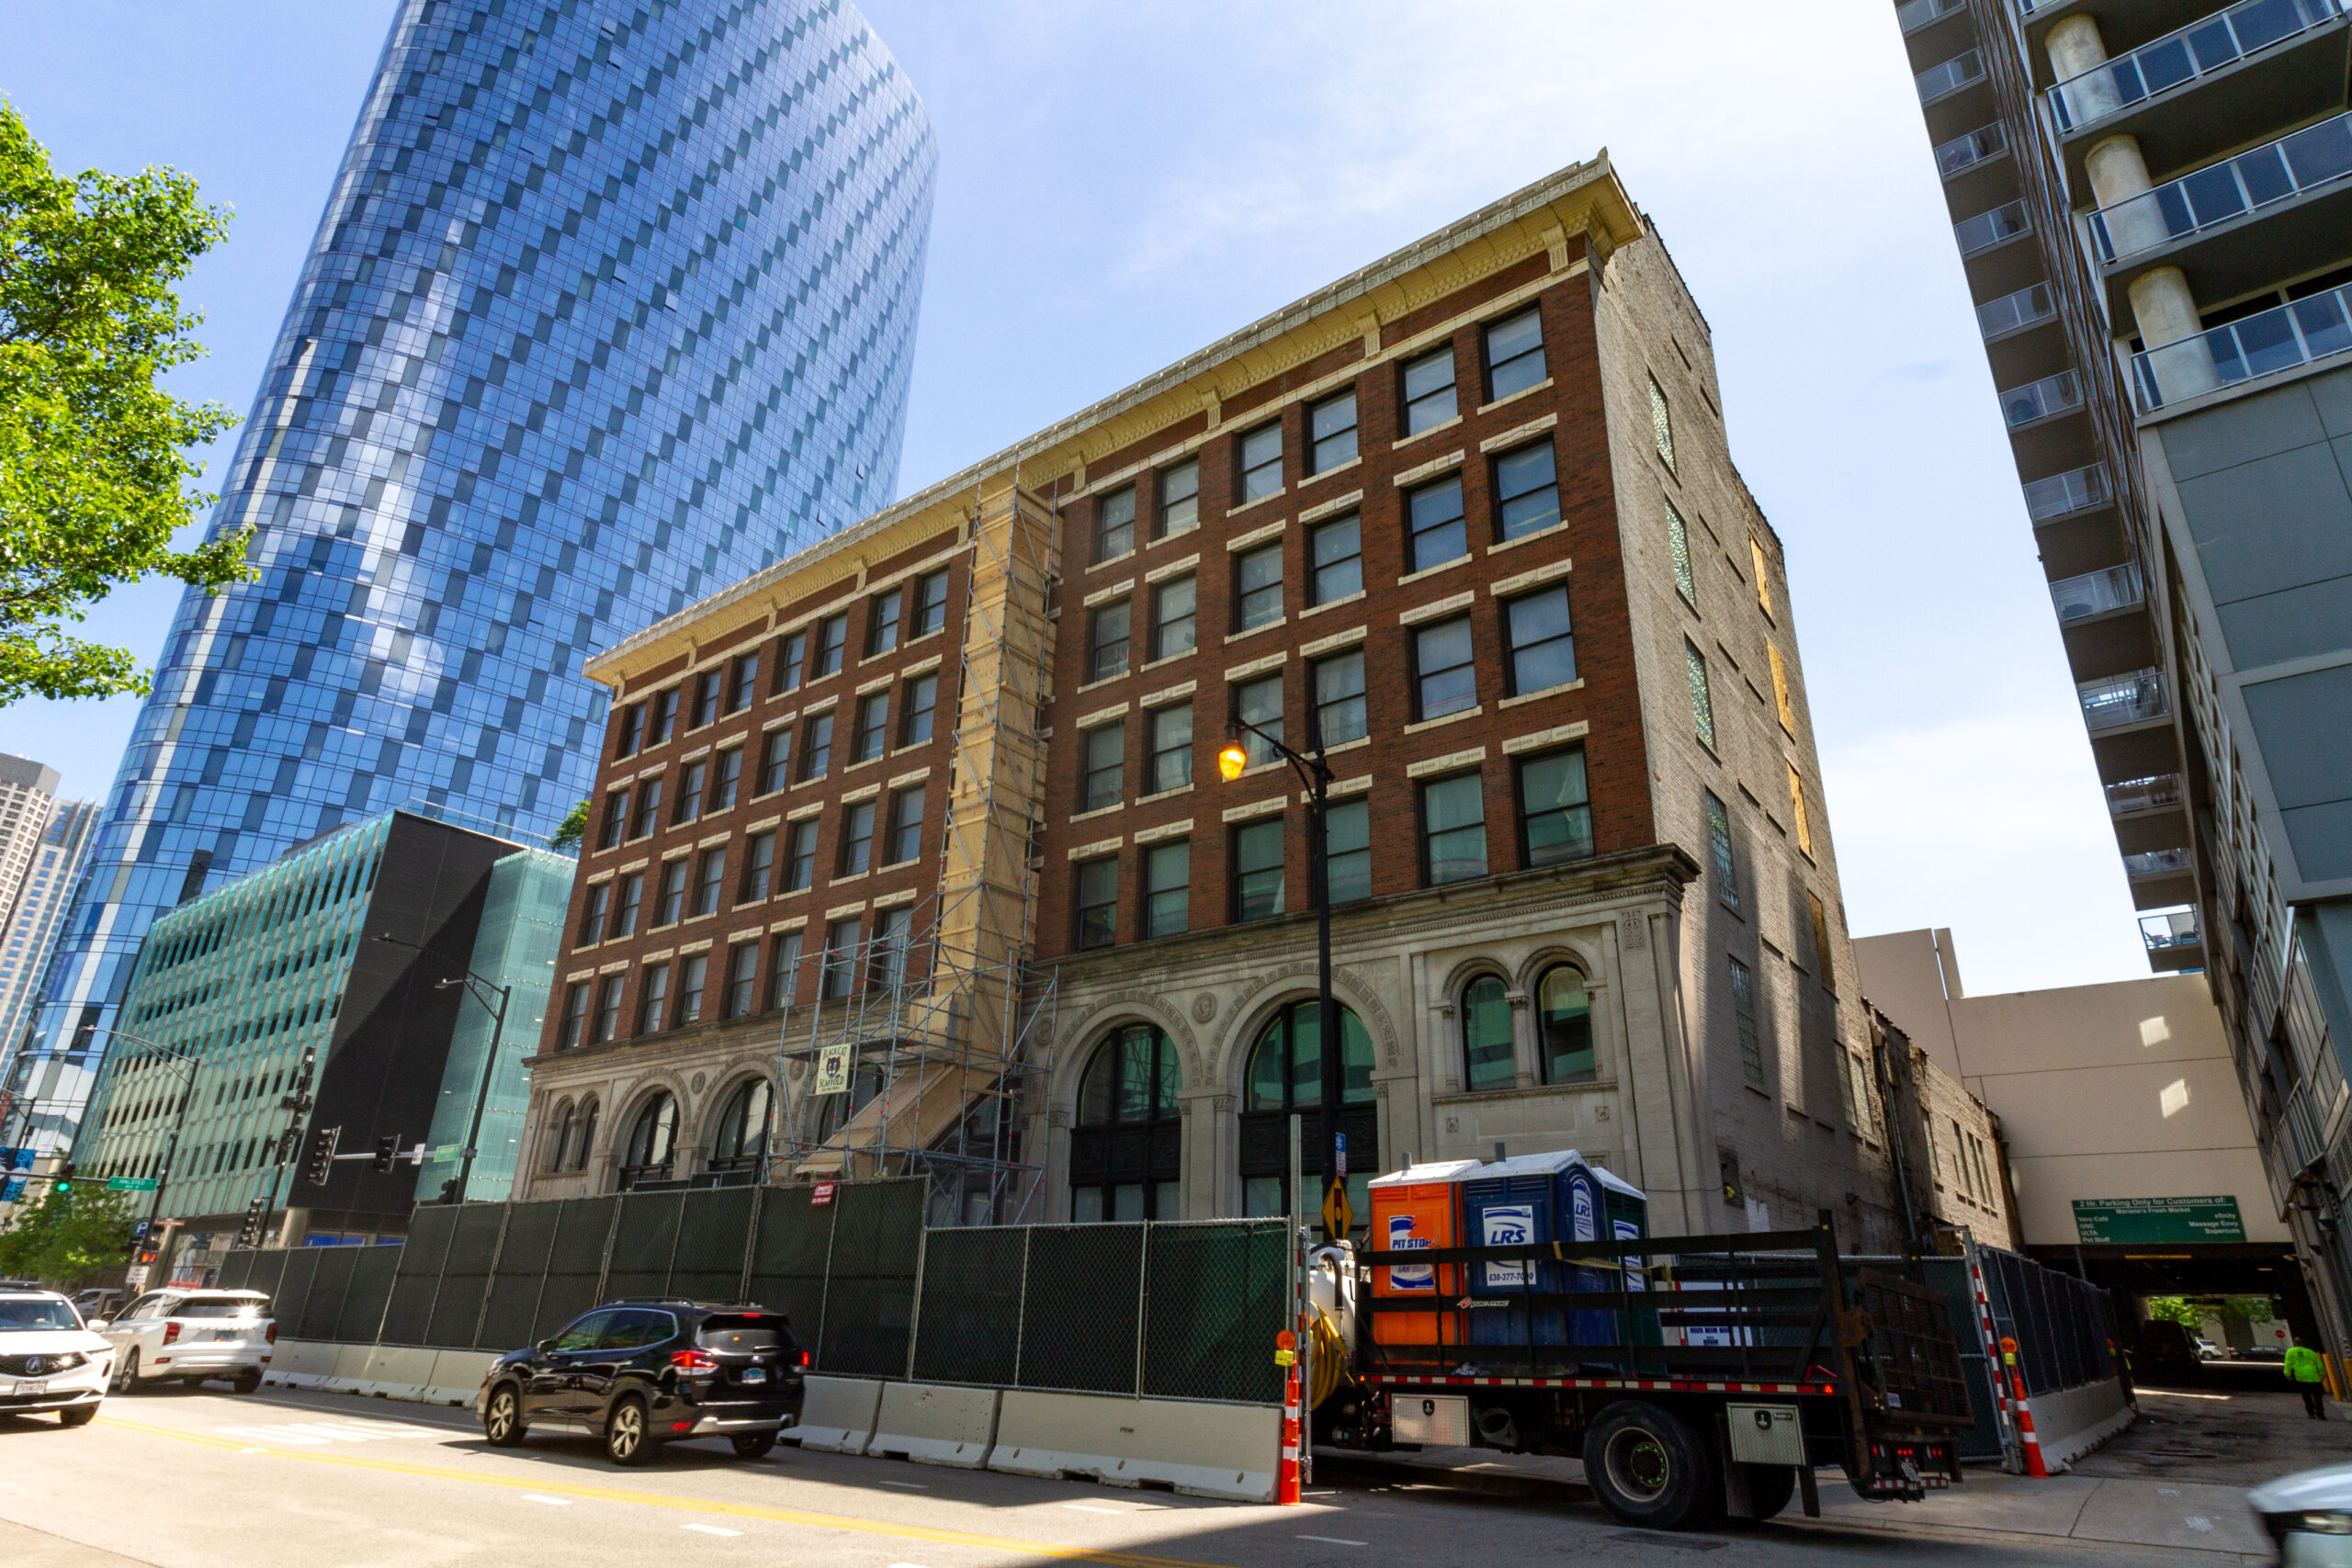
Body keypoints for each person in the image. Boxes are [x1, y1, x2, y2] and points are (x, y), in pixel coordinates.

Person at [2285, 1342, 2329, 1419]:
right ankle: (2320, 1414)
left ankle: (2311, 1413)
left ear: (2294, 1344)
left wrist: (2288, 1374)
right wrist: (2322, 1374)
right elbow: (2319, 1364)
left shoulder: (2290, 1352)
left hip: (2301, 1377)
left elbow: (2288, 1364)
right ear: (2303, 1344)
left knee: (2306, 1396)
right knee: (2317, 1396)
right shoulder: (2310, 1352)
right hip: (2313, 1377)